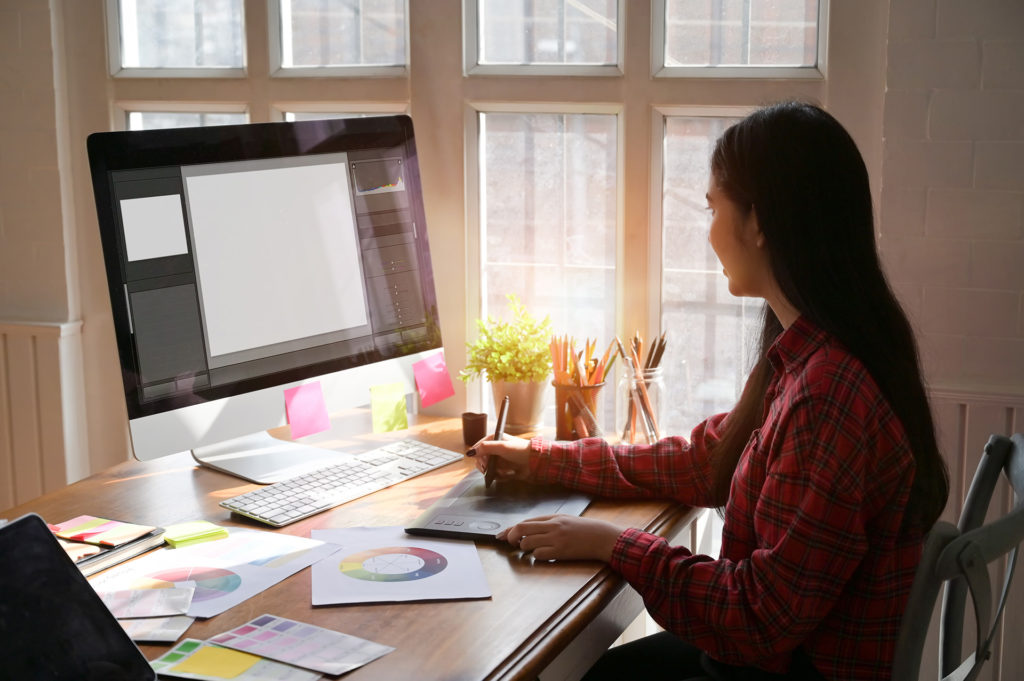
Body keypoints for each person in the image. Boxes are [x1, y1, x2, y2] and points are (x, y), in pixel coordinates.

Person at [470, 100, 949, 681]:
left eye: (712, 207)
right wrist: (544, 459)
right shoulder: (806, 356)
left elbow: (756, 618)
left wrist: (613, 544)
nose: (710, 231)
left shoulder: (829, 395)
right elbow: (705, 460)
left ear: (759, 221)